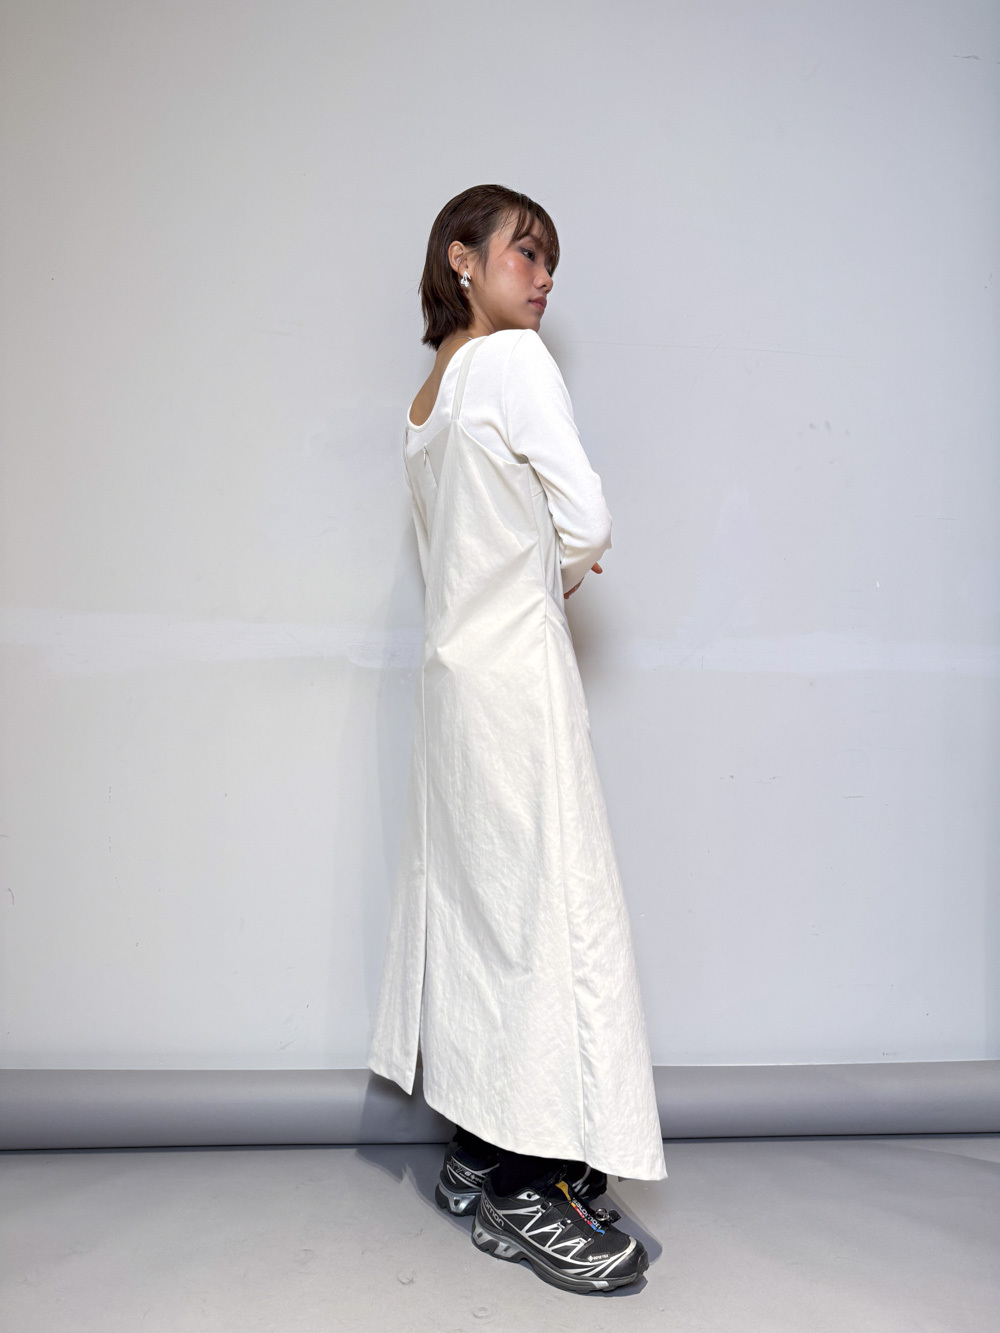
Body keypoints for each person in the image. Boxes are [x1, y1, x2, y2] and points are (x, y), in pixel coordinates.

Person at [368, 185, 667, 1295]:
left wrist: (525, 563)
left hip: (455, 696)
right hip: (519, 687)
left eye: (552, 264)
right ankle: (526, 1187)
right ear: (462, 258)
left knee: (483, 913)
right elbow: (586, 520)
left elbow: (453, 549)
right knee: (544, 918)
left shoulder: (426, 400)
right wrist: (563, 567)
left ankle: (480, 1151)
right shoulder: (513, 364)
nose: (543, 279)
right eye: (525, 254)